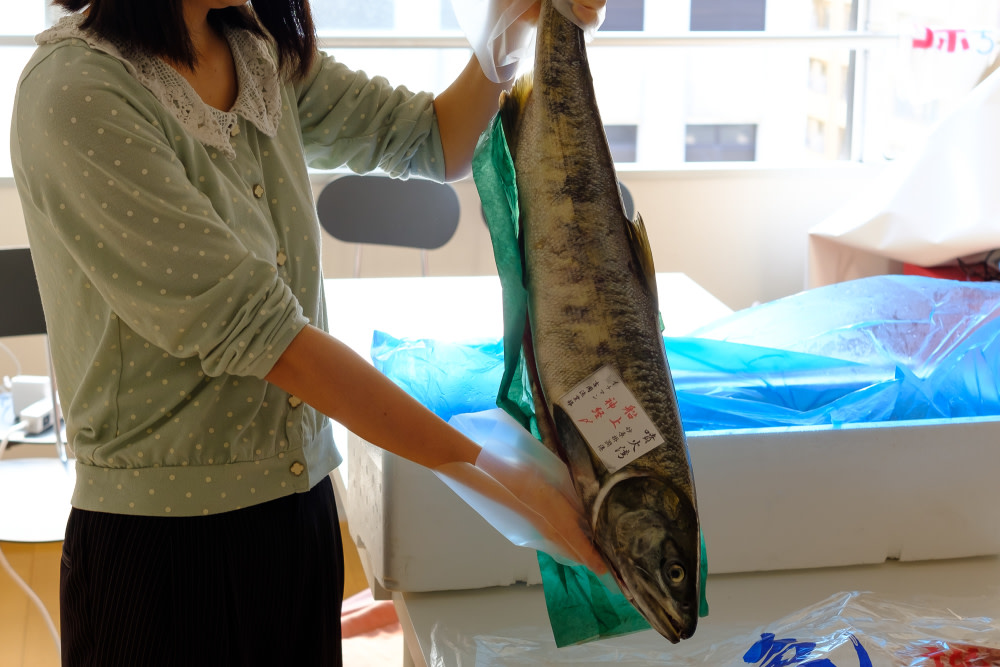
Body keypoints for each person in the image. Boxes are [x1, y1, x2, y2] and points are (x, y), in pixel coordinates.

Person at [10, 0, 607, 665]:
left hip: (299, 514)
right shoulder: (76, 93)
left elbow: (435, 139)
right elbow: (263, 333)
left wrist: (509, 30)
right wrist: (483, 470)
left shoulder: (252, 49)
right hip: (165, 547)